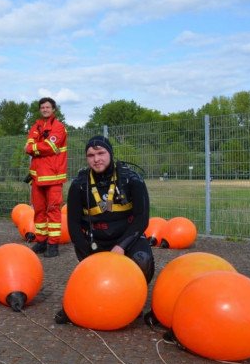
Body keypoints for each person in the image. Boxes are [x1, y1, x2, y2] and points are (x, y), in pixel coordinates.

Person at [66, 135, 155, 283]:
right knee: (95, 278)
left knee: (142, 261)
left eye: (101, 153)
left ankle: (134, 291)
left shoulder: (132, 180)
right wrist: (89, 254)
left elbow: (141, 219)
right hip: (95, 240)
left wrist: (121, 246)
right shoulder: (79, 185)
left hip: (127, 238)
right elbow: (73, 226)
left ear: (110, 153)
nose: (96, 159)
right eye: (91, 155)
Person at [24, 97, 68, 257]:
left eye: (48, 107)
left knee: (53, 210)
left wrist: (34, 148)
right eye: (42, 107)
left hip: (53, 177)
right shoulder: (36, 126)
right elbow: (30, 145)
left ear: (53, 109)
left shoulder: (59, 127)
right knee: (39, 211)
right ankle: (41, 241)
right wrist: (39, 148)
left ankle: (53, 245)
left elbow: (49, 146)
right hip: (37, 177)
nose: (45, 109)